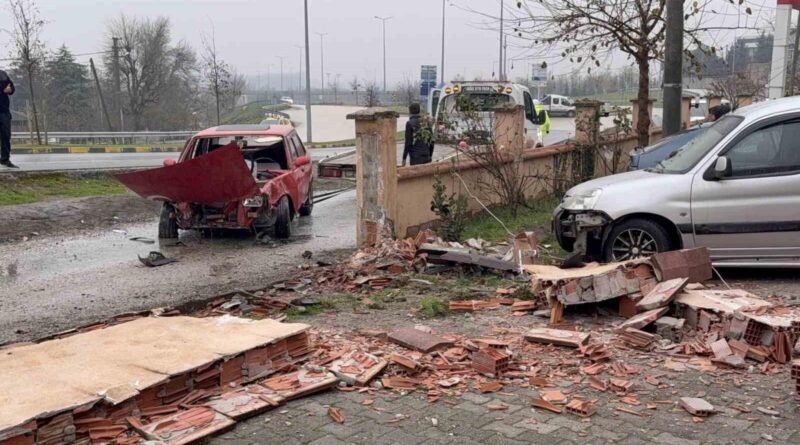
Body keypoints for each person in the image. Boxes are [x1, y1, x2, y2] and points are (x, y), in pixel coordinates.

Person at [0, 69, 16, 168]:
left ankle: (5, 159)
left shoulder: (3, 74)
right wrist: (2, 91)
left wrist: (11, 90)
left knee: (6, 136)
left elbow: (11, 86)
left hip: (4, 111)